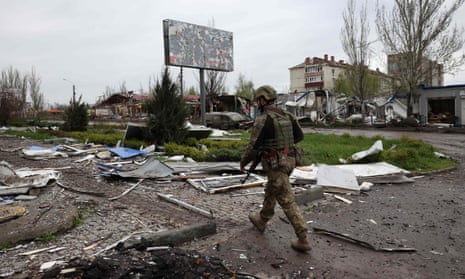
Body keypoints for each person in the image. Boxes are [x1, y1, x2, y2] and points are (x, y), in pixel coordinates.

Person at [240, 85, 311, 253]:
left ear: (263, 100)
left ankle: (303, 238)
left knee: (286, 199)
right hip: (290, 160)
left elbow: (253, 147)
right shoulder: (287, 115)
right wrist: (283, 144)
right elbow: (299, 136)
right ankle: (262, 219)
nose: (258, 103)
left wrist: (244, 162)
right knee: (272, 188)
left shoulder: (263, 119)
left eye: (258, 100)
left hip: (275, 164)